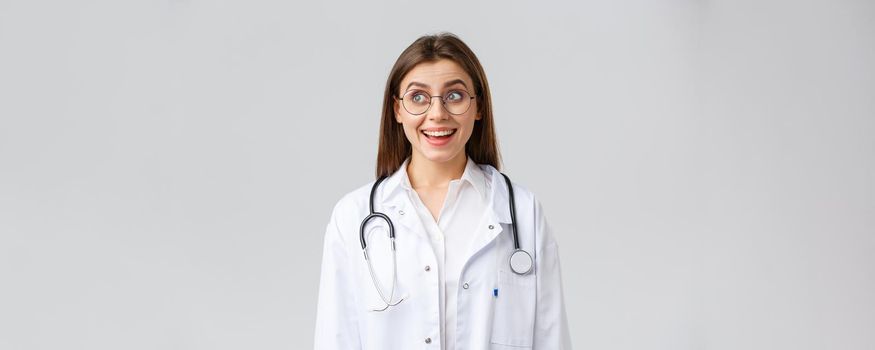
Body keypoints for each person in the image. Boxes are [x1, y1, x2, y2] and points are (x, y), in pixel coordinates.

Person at [314, 32, 571, 349]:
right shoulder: (353, 216)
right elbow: (335, 338)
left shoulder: (522, 210)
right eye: (418, 97)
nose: (437, 114)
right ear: (397, 110)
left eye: (455, 96)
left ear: (478, 107)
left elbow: (551, 337)